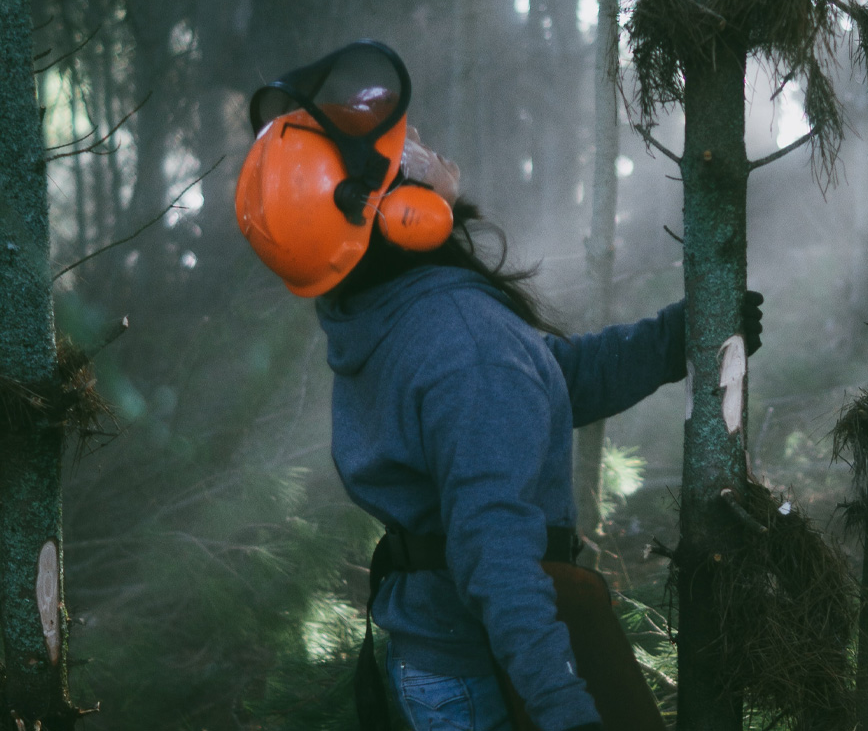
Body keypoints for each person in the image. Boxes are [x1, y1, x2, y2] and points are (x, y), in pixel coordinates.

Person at [234, 42, 762, 731]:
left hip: (444, 654)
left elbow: (545, 382)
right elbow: (497, 558)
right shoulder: (464, 346)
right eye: (409, 149)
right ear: (399, 211)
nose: (428, 149)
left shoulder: (396, 313)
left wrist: (672, 341)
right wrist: (565, 712)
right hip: (480, 670)